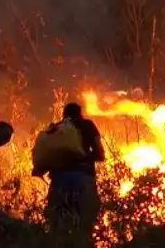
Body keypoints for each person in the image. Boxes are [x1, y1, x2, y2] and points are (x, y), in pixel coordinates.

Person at [35, 102, 105, 246]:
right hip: (83, 178)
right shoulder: (88, 125)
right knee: (85, 225)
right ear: (80, 113)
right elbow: (100, 153)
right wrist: (84, 157)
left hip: (59, 180)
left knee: (57, 226)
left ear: (64, 115)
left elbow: (45, 160)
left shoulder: (55, 129)